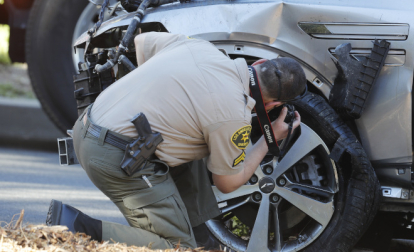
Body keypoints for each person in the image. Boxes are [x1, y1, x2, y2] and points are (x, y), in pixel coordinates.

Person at [46, 32, 306, 250]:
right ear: (273, 104)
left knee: (195, 149)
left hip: (86, 124)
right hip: (115, 154)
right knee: (176, 246)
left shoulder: (199, 47)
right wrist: (268, 140)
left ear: (259, 63)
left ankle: (203, 239)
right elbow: (227, 182)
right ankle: (75, 226)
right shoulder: (232, 115)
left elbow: (142, 41)